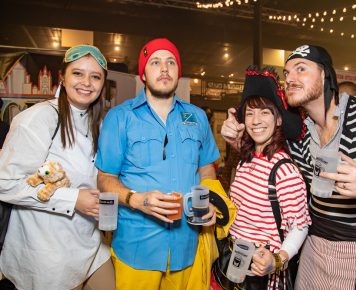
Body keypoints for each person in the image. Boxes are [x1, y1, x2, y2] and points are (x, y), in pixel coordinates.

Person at [221, 45, 356, 290]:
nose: (290, 79)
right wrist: (236, 138)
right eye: (287, 74)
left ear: (325, 74)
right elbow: (263, 155)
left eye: (301, 69)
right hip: (313, 253)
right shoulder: (300, 136)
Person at [95, 38, 220, 290]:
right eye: (155, 62)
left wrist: (209, 204)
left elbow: (206, 168)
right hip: (136, 250)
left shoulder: (196, 117)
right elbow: (105, 179)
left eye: (170, 62)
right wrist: (137, 200)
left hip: (187, 248)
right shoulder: (120, 117)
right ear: (143, 73)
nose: (164, 68)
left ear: (178, 71)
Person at [0, 45, 115, 290]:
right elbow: (5, 184)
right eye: (78, 73)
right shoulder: (38, 119)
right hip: (48, 254)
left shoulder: (100, 124)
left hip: (92, 245)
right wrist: (72, 199)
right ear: (62, 76)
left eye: (95, 77)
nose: (87, 82)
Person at [213, 66, 310, 290]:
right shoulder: (245, 160)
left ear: (278, 120)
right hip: (233, 260)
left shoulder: (284, 171)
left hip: (261, 272)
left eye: (265, 112)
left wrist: (277, 260)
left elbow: (300, 227)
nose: (256, 120)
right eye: (249, 113)